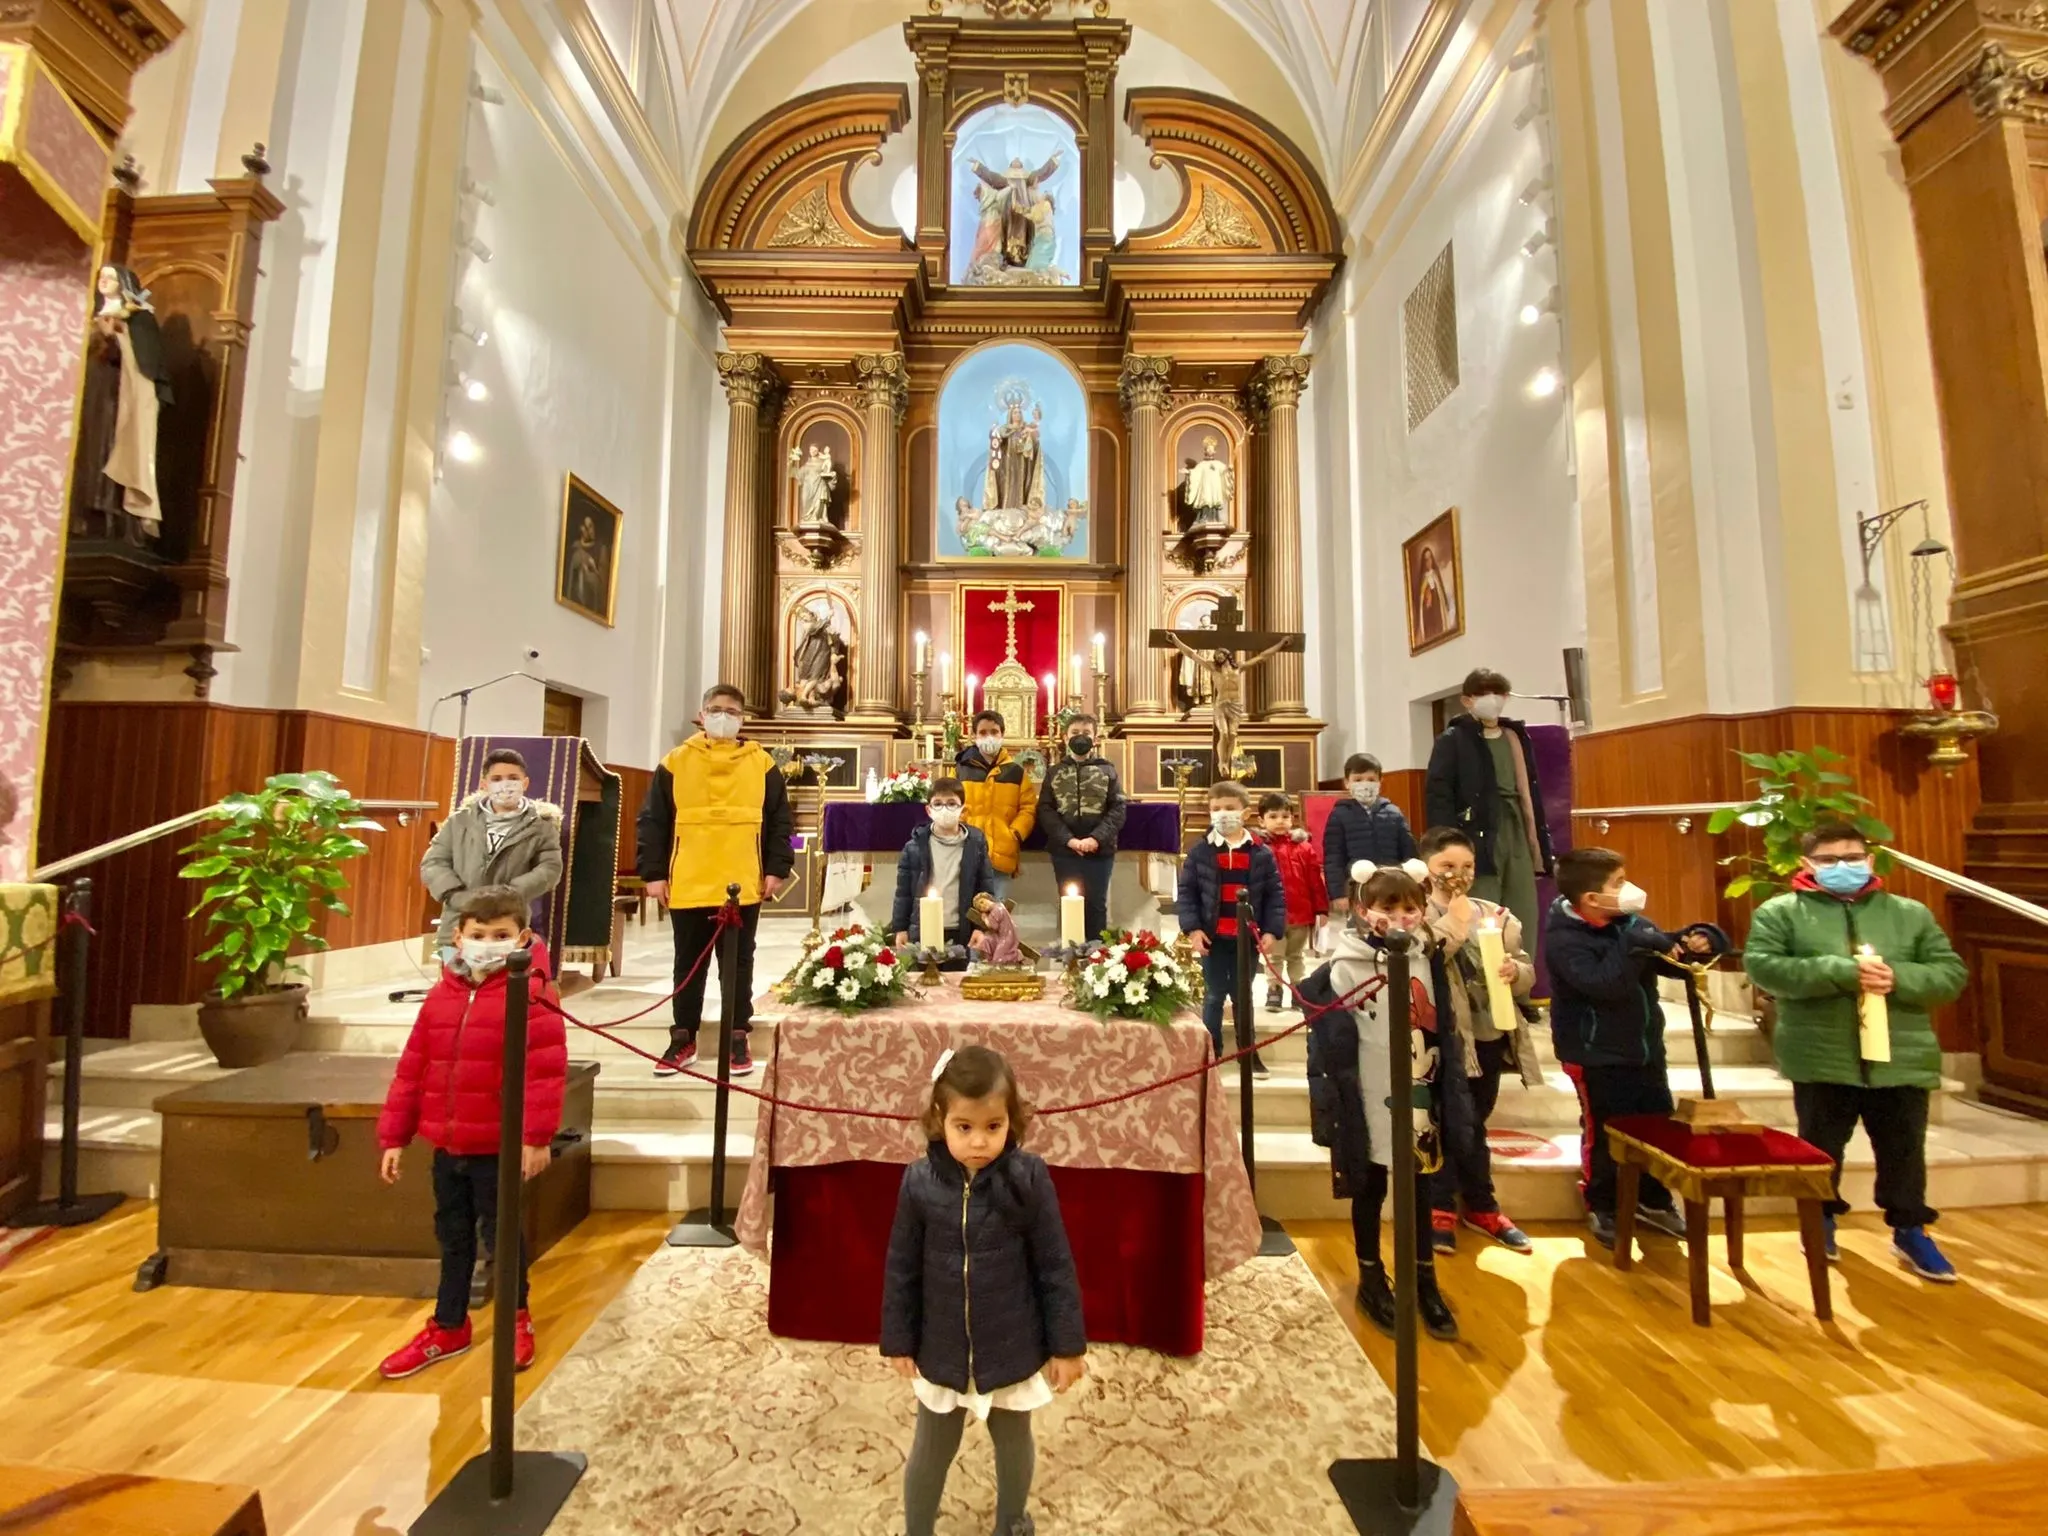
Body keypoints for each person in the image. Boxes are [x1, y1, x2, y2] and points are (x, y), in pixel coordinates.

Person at [1742, 824, 1968, 1279]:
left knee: (1904, 1150)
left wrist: (1899, 978)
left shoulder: (1910, 914)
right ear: (1807, 865)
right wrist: (1841, 971)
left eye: (1852, 857)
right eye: (1829, 860)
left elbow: (1950, 973)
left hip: (1900, 1056)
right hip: (1822, 1054)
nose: (1842, 866)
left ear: (1870, 859)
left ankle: (1910, 1231)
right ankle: (1819, 1219)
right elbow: (1765, 968)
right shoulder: (1780, 913)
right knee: (1822, 1147)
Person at [881, 1045, 1086, 1536]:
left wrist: (1067, 1346)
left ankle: (1011, 1524)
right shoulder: (919, 1182)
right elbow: (901, 1268)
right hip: (942, 1349)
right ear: (939, 1119)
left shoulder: (1029, 1178)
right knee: (931, 1450)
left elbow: (1055, 1264)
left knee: (1014, 1441)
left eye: (993, 1127)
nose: (979, 1142)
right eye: (964, 1127)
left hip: (1011, 1345)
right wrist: (899, 1339)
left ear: (1010, 1120)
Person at [375, 886, 567, 1379]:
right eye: (478, 934)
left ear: (521, 938)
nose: (487, 943)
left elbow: (544, 1072)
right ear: (458, 937)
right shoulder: (443, 993)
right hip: (448, 1142)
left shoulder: (533, 991)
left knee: (502, 1240)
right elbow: (414, 1066)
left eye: (500, 935)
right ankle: (448, 1325)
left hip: (497, 1146)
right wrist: (395, 1134)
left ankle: (515, 1321)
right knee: (453, 1237)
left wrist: (536, 1137)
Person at [1297, 868, 1459, 1342]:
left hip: (1419, 1087)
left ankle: (1424, 1280)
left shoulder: (1429, 958)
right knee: (1370, 1187)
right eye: (1389, 910)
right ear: (1366, 912)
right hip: (1365, 1095)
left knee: (1421, 1186)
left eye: (1410, 909)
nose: (1401, 918)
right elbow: (1328, 1031)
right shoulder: (1346, 964)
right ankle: (1371, 1277)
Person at [1546, 847, 1726, 1249]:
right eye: (1619, 883)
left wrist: (1700, 940)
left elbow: (1668, 956)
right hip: (1595, 1055)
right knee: (1607, 1133)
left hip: (1643, 1050)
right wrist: (1635, 944)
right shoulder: (1566, 940)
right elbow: (1604, 985)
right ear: (1591, 899)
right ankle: (1603, 1202)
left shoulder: (1628, 923)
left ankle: (1652, 1198)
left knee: (1655, 1124)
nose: (1629, 889)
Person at [635, 684, 794, 1080]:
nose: (723, 716)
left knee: (737, 964)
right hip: (689, 876)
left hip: (741, 879)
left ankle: (736, 1033)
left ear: (742, 719)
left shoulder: (763, 764)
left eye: (731, 710)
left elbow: (780, 821)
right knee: (688, 963)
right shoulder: (675, 762)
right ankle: (683, 1036)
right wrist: (653, 873)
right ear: (702, 715)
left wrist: (776, 866)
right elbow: (653, 821)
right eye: (715, 709)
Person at [1418, 827, 1536, 1255]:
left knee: (1475, 1121)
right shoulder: (1418, 913)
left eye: (1466, 866)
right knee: (1448, 1122)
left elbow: (1525, 970)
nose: (1458, 875)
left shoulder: (1497, 914)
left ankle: (1481, 1207)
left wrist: (1515, 973)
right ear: (1428, 869)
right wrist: (1456, 922)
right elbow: (1423, 961)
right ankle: (1440, 1206)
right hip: (1445, 1039)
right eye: (1447, 867)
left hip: (1489, 1032)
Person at [1424, 670, 1553, 943]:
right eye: (1482, 694)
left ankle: (1519, 976)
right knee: (1482, 909)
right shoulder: (1453, 738)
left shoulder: (1515, 735)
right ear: (1467, 700)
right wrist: (1446, 843)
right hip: (1477, 833)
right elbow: (1439, 793)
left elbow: (1529, 789)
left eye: (1497, 693)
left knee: (1524, 909)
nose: (1491, 699)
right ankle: (1482, 980)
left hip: (1517, 826)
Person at [1177, 781, 1285, 1071]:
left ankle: (1248, 1053)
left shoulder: (1261, 853)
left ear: (1245, 813)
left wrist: (1272, 930)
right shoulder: (1200, 852)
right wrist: (1193, 929)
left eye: (1229, 809)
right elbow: (1187, 894)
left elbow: (1275, 895)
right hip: (1212, 937)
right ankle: (1211, 1052)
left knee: (1242, 995)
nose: (1222, 814)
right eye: (1216, 809)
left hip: (1246, 938)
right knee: (1213, 995)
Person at [420, 748, 564, 948]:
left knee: (502, 978)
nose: (504, 784)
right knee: (454, 976)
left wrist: (508, 894)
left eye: (513, 778)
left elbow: (549, 869)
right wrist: (456, 896)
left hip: (508, 924)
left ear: (525, 783)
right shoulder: (459, 821)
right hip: (458, 922)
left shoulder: (541, 827)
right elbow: (434, 862)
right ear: (484, 784)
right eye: (496, 779)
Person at [890, 777, 998, 966]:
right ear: (929, 809)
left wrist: (981, 928)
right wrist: (900, 928)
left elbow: (985, 888)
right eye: (938, 804)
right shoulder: (914, 847)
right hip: (923, 929)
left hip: (960, 930)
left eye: (951, 804)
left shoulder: (976, 844)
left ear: (962, 809)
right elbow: (903, 893)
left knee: (956, 988)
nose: (944, 809)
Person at [1037, 712, 1125, 943]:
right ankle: (1071, 957)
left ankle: (1097, 959)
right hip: (1065, 851)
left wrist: (1095, 839)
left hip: (1100, 851)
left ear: (1095, 738)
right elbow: (1045, 809)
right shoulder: (1054, 772)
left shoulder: (1108, 770)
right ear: (1065, 738)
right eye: (1075, 733)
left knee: (1097, 904)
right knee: (1068, 903)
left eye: (1086, 733)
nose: (1080, 737)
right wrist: (1069, 840)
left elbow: (1117, 808)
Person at [1256, 792, 1327, 1012]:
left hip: (1301, 914)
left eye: (1285, 816)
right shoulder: (1259, 849)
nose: (1280, 821)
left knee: (1296, 955)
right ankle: (1274, 990)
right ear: (1261, 820)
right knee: (1274, 956)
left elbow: (1315, 880)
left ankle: (1299, 991)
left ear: (1292, 819)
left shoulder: (1304, 848)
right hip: (1272, 918)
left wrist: (1322, 909)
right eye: (1273, 816)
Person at [954, 710, 1036, 902]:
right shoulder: (961, 770)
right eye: (982, 732)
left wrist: (1014, 832)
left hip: (1002, 853)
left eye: (994, 731)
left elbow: (1028, 807)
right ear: (973, 736)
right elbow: (952, 803)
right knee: (969, 913)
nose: (988, 736)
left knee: (997, 915)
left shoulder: (1015, 772)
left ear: (1002, 735)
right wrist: (962, 829)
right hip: (968, 851)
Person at [1324, 753, 1417, 915]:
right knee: (1359, 930)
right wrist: (1338, 893)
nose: (1365, 784)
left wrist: (1413, 881)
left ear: (1380, 782)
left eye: (1371, 779)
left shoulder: (1394, 813)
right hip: (1356, 888)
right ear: (1347, 783)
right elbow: (1333, 858)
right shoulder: (1339, 814)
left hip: (1391, 886)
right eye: (1358, 780)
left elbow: (1408, 851)